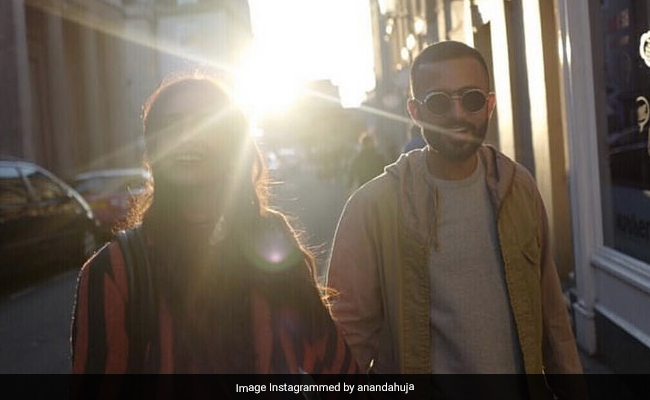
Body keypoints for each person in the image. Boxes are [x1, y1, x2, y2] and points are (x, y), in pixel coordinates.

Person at [326, 41, 588, 399]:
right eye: (438, 102)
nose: (458, 114)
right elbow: (348, 341)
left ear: (489, 105)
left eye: (472, 99)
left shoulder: (518, 188)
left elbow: (552, 316)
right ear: (415, 112)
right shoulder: (374, 207)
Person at [71, 71, 360, 375]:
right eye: (170, 124)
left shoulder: (272, 239)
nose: (186, 135)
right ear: (153, 149)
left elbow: (337, 369)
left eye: (204, 122)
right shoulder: (114, 272)